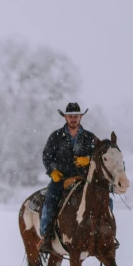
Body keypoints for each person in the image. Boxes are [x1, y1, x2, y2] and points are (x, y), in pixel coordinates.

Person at [37, 102, 99, 251]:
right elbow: (47, 156)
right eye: (70, 116)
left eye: (76, 116)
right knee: (49, 202)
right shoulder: (56, 136)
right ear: (65, 117)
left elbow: (100, 156)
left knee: (106, 200)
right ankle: (46, 237)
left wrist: (89, 160)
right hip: (61, 180)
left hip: (84, 180)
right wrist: (53, 171)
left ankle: (104, 234)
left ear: (81, 117)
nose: (73, 119)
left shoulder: (89, 137)